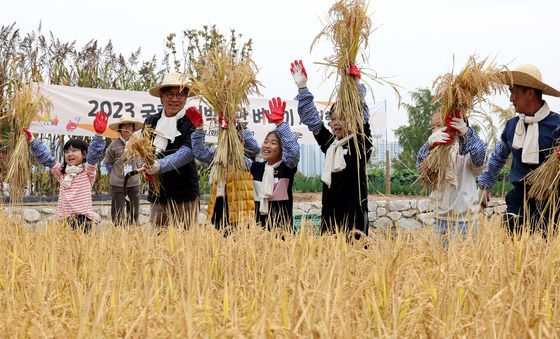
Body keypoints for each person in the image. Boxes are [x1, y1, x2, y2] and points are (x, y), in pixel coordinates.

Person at [291, 59, 373, 239]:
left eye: (342, 118)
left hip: (354, 220)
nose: (336, 122)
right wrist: (303, 88)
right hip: (329, 217)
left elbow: (362, 118)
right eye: (333, 118)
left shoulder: (360, 144)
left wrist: (353, 86)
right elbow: (313, 121)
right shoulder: (331, 145)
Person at [190, 98, 300, 230]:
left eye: (273, 143)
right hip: (259, 233)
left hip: (283, 232)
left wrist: (281, 124)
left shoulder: (286, 169)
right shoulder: (256, 168)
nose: (267, 146)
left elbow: (293, 152)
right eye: (266, 141)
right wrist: (202, 129)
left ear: (282, 149)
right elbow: (225, 156)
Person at [478, 64, 560, 236]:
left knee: (545, 253)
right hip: (518, 201)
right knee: (512, 250)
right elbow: (498, 157)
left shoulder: (557, 126)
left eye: (514, 92)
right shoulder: (512, 126)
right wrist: (484, 185)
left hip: (550, 203)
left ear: (530, 94)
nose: (510, 98)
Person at [24, 111, 108, 232]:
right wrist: (32, 140)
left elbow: (94, 154)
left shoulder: (87, 172)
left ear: (84, 154)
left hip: (83, 219)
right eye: (67, 151)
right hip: (64, 219)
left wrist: (99, 135)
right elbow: (46, 158)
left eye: (74, 150)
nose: (70, 154)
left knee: (81, 248)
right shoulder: (62, 172)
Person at [416, 110, 486, 245]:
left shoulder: (466, 150)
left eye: (438, 125)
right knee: (440, 263)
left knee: (465, 262)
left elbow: (479, 155)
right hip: (440, 219)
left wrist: (466, 133)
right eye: (433, 127)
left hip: (465, 220)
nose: (435, 131)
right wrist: (428, 145)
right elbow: (421, 170)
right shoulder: (434, 154)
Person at [143, 72, 200, 228]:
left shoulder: (190, 120)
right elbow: (144, 149)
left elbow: (189, 151)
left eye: (180, 95)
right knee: (157, 241)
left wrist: (160, 165)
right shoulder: (151, 121)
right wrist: (146, 165)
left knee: (187, 243)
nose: (174, 99)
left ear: (186, 98)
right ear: (161, 97)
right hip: (158, 192)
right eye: (170, 94)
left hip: (185, 192)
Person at [188, 108, 260, 230]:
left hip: (242, 209)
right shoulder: (218, 153)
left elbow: (255, 148)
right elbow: (199, 153)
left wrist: (237, 126)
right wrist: (199, 129)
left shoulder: (245, 152)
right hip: (219, 205)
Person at [103, 112, 143, 226]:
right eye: (124, 126)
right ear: (120, 129)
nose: (127, 128)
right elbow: (108, 163)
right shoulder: (113, 145)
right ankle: (119, 232)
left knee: (134, 210)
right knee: (118, 210)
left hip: (134, 182)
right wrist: (116, 175)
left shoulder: (137, 144)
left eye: (129, 125)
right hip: (118, 184)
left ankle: (132, 230)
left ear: (133, 129)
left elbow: (140, 162)